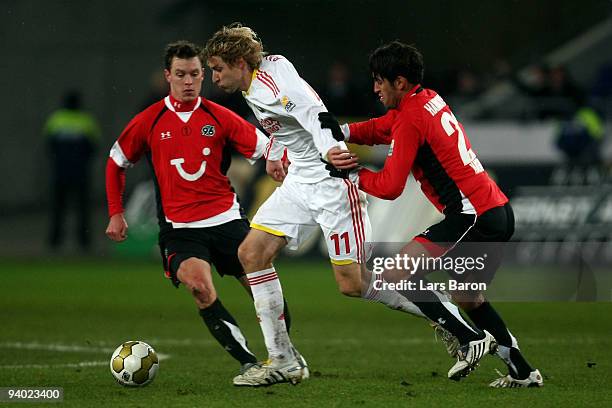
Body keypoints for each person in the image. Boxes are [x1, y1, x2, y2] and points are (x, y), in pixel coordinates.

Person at [204, 23, 496, 387]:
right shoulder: (259, 77)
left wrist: (332, 153)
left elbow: (313, 113)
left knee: (353, 285)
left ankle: (454, 322)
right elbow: (285, 123)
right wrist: (278, 151)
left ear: (238, 62)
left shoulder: (272, 86)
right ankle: (282, 360)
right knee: (251, 254)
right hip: (299, 183)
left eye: (217, 68)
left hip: (330, 185)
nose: (213, 77)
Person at [321, 40, 543, 388]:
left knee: (397, 272)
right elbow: (383, 127)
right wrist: (345, 131)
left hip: (472, 216)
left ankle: (468, 339)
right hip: (495, 210)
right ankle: (524, 371)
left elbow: (391, 186)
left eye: (380, 80)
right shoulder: (426, 99)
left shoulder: (411, 117)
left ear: (401, 82)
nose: (374, 87)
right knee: (469, 297)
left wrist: (351, 174)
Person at [104, 40, 297, 382]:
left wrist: (273, 159)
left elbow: (267, 145)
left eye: (195, 74)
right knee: (200, 288)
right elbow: (116, 161)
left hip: (227, 221)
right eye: (181, 75)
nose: (188, 81)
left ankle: (285, 355)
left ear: (203, 75)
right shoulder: (149, 120)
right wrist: (116, 212)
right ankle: (249, 363)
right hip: (180, 228)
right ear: (168, 76)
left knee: (264, 290)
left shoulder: (218, 116)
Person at [44, 90, 100, 251]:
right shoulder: (86, 121)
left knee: (58, 208)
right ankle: (84, 241)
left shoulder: (56, 120)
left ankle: (55, 241)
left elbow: (49, 146)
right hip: (81, 172)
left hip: (60, 171)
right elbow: (93, 147)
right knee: (82, 208)